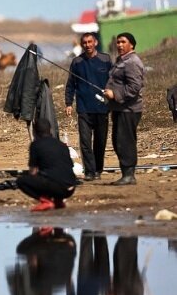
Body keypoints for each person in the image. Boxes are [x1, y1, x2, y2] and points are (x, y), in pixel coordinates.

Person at [64, 32, 112, 181]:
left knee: (100, 141)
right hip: (84, 108)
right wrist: (68, 103)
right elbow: (70, 84)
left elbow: (114, 80)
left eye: (90, 42)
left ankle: (98, 169)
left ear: (95, 42)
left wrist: (112, 96)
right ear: (81, 44)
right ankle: (90, 172)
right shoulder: (77, 62)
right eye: (84, 43)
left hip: (102, 108)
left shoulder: (106, 59)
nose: (87, 45)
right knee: (85, 142)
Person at [103, 32, 145, 185]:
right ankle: (126, 173)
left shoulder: (132, 62)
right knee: (118, 140)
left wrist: (114, 94)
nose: (119, 45)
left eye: (123, 42)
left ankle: (129, 175)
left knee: (125, 141)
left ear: (132, 44)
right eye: (118, 42)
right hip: (120, 108)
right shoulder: (121, 60)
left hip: (129, 109)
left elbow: (134, 87)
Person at [16, 118, 77, 211]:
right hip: (71, 187)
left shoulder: (35, 145)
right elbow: (70, 167)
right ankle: (58, 201)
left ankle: (46, 201)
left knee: (21, 181)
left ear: (35, 132)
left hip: (57, 187)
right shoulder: (61, 145)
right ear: (50, 130)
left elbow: (33, 171)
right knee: (52, 177)